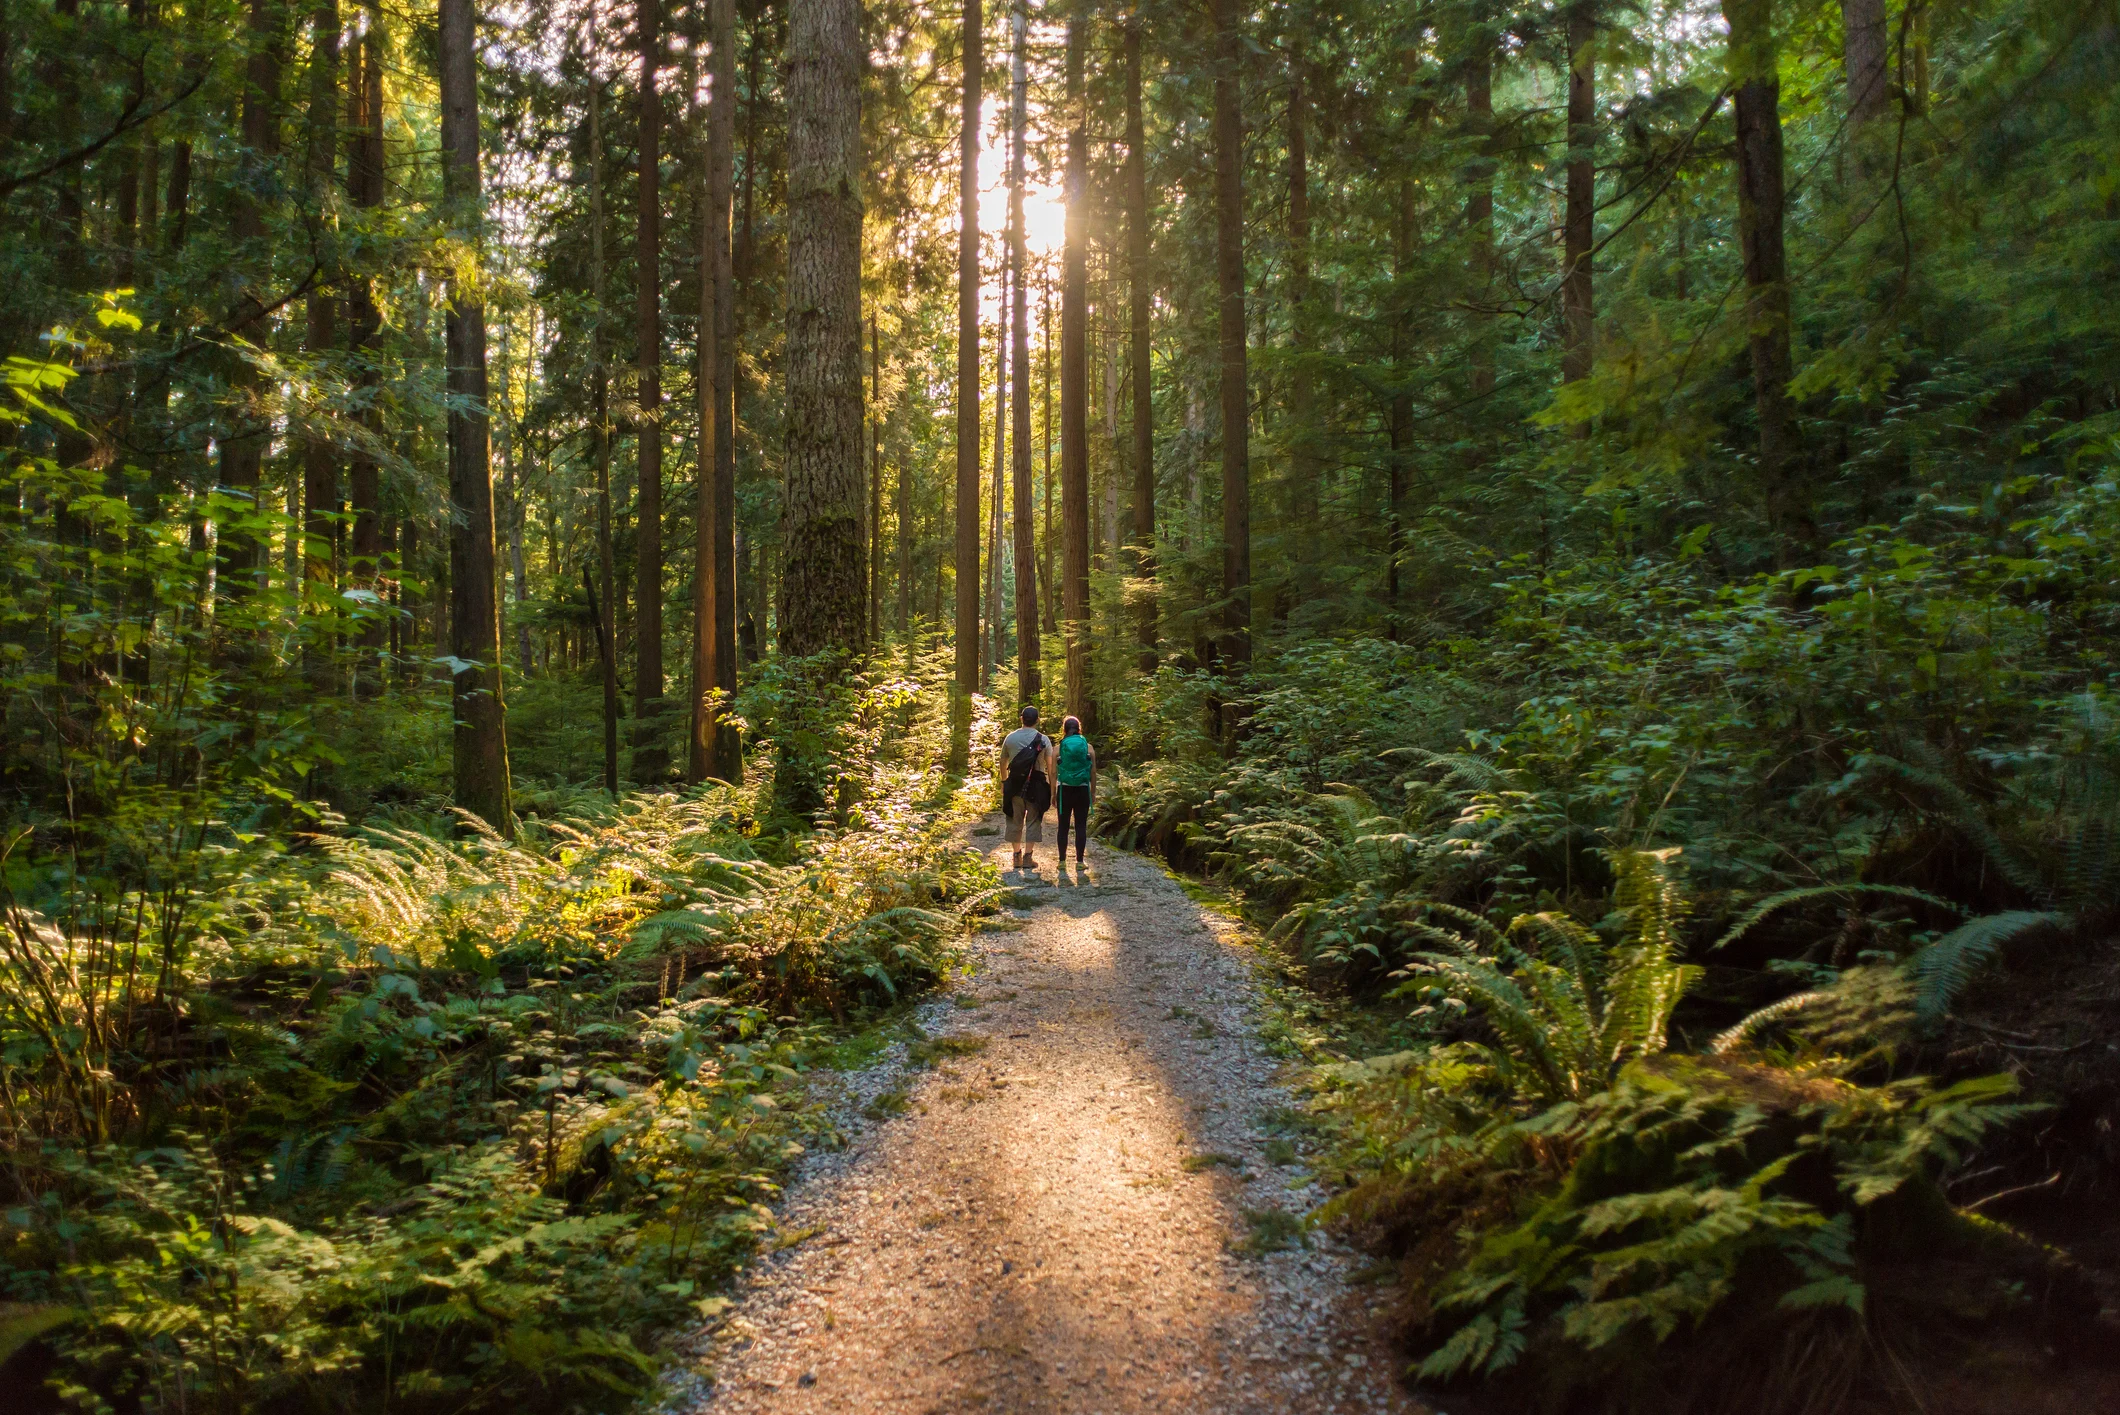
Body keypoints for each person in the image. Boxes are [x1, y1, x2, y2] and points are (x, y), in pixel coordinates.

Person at [999, 706, 1054, 873]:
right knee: (1033, 819)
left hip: (1015, 784)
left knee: (1014, 818)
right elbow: (1050, 768)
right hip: (1036, 785)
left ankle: (1016, 856)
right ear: (1037, 720)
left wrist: (1004, 782)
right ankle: (1029, 857)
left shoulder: (1010, 738)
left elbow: (1002, 762)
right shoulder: (1044, 740)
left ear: (1021, 718)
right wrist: (1052, 788)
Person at [1053, 715, 1096, 870]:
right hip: (1083, 790)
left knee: (1063, 826)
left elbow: (1052, 773)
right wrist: (1093, 793)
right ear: (1079, 729)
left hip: (1064, 790)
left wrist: (1053, 793)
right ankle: (1079, 862)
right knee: (1081, 826)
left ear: (1064, 729)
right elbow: (1093, 773)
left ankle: (1062, 862)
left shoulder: (1058, 749)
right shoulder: (1088, 747)